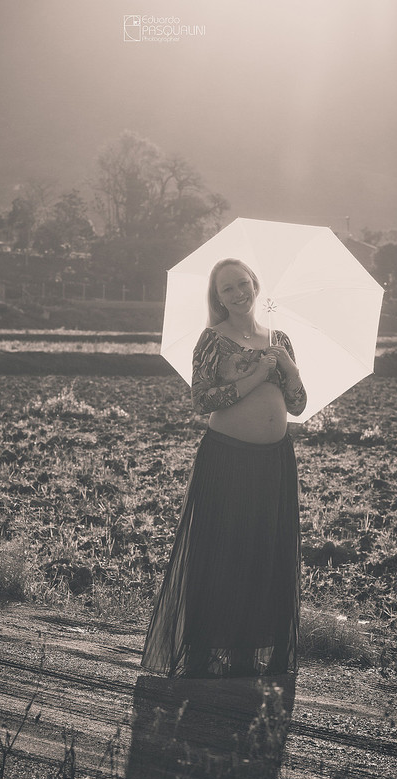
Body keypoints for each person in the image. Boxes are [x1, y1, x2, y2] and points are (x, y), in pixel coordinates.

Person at [141, 258, 307, 678]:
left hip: (275, 462)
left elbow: (298, 405)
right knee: (223, 552)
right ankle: (204, 651)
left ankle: (250, 652)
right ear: (217, 297)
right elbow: (202, 401)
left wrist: (289, 369)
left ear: (256, 285)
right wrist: (258, 376)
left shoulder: (280, 339)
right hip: (228, 458)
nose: (237, 293)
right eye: (227, 289)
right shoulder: (211, 340)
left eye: (243, 284)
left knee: (264, 553)